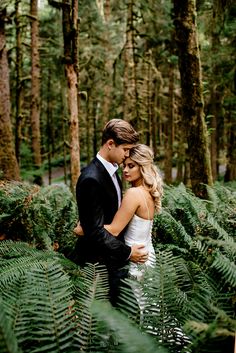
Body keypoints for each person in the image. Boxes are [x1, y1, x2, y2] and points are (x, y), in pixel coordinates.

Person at [72, 119, 149, 306]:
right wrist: (128, 252)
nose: (128, 155)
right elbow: (95, 233)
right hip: (98, 266)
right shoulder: (91, 178)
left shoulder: (113, 170)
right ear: (110, 144)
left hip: (114, 262)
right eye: (125, 149)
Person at [75, 144, 163, 279]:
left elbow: (114, 229)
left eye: (131, 166)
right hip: (147, 256)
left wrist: (85, 228)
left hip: (135, 259)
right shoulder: (148, 192)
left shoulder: (133, 193)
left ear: (143, 166)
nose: (125, 170)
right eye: (125, 166)